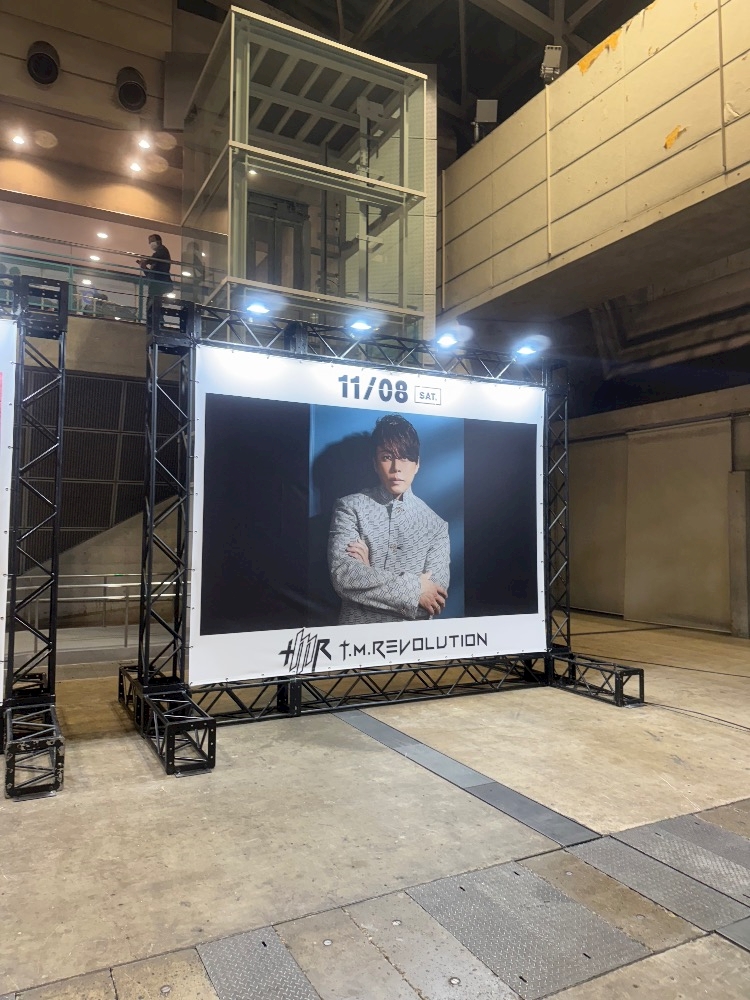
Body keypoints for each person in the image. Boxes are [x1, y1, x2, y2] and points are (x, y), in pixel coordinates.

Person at [328, 414, 450, 625]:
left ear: (417, 464)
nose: (396, 468)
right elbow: (344, 577)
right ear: (375, 464)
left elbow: (432, 603)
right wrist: (416, 590)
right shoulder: (350, 507)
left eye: (405, 458)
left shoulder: (436, 526)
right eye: (387, 457)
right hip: (355, 638)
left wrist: (368, 573)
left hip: (412, 641)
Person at [137, 234, 172, 318]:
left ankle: (157, 322)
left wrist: (146, 262)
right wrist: (144, 267)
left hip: (158, 285)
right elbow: (151, 275)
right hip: (155, 285)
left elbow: (155, 257)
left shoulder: (162, 250)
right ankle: (155, 322)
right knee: (152, 307)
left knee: (153, 306)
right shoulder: (158, 257)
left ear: (158, 241)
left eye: (152, 241)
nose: (150, 243)